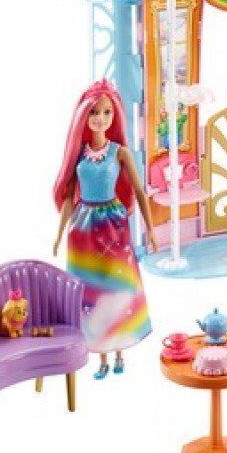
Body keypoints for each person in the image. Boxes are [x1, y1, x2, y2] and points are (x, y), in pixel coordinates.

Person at [52, 80, 154, 379]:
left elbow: (139, 190)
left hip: (112, 225)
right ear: (84, 116)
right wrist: (59, 233)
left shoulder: (119, 153)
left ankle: (120, 350)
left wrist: (150, 228)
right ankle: (102, 357)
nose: (101, 118)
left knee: (117, 285)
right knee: (90, 291)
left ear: (115, 115)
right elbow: (70, 198)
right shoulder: (79, 155)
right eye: (94, 112)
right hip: (83, 227)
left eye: (107, 112)